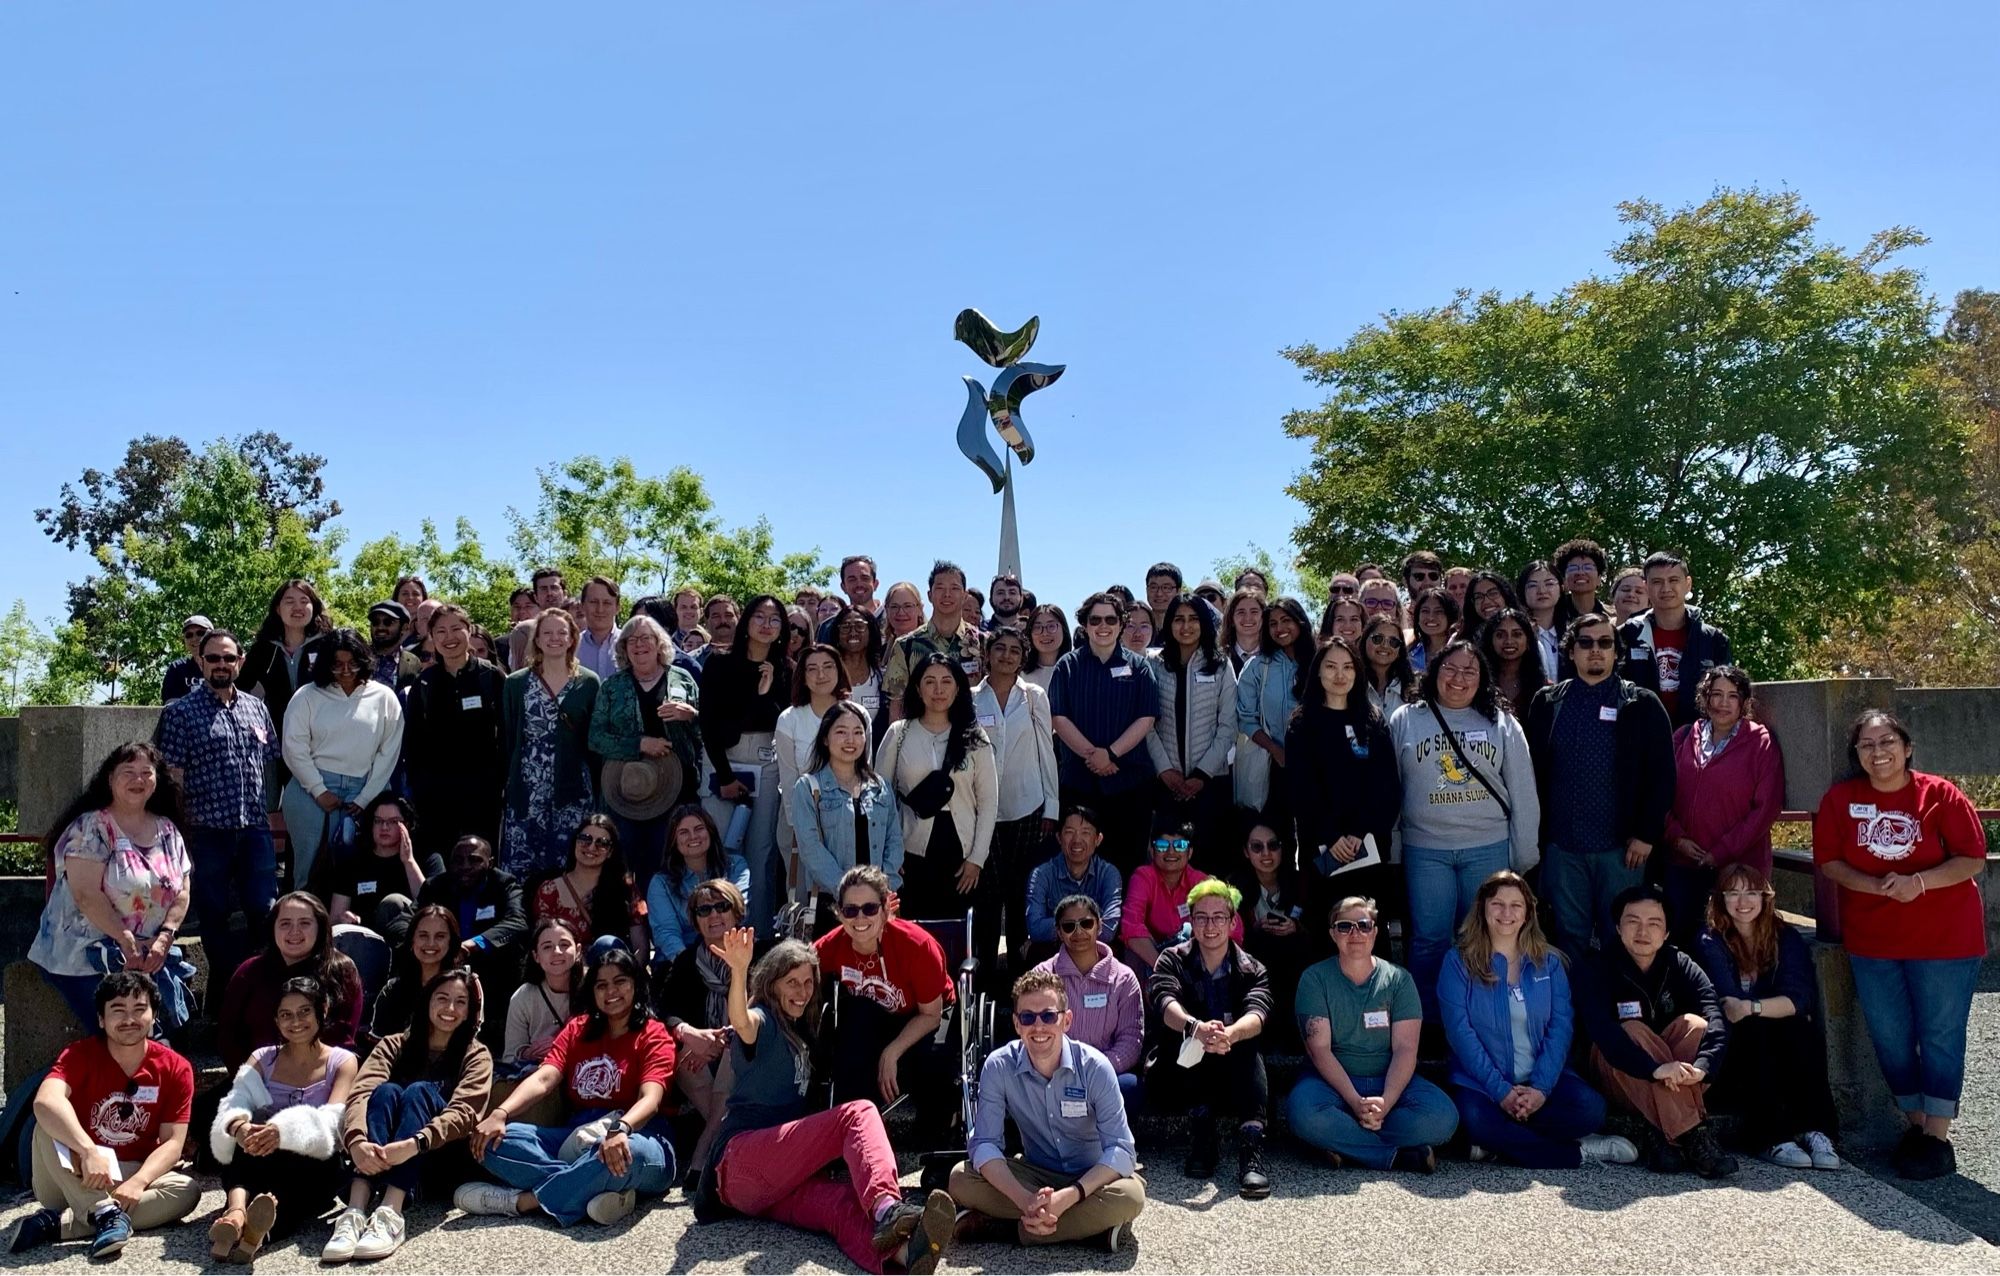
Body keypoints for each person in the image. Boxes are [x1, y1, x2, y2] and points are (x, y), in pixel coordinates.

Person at [691, 932, 958, 1275]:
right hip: (741, 1158)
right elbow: (743, 1022)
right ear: (772, 984)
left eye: (807, 983)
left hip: (770, 1185)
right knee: (858, 1113)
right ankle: (889, 1208)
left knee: (843, 1204)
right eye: (791, 982)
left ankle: (904, 1256)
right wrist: (740, 971)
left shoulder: (801, 1033)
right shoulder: (765, 1020)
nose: (802, 992)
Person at [1812, 709, 1987, 1180]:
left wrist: (1920, 883)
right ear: (1857, 755)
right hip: (1874, 940)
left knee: (1940, 1035)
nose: (1878, 752)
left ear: (1907, 747)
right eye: (1867, 746)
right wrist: (1871, 887)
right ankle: (1915, 1125)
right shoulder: (1842, 800)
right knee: (1889, 1036)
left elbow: (1972, 858)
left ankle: (1937, 1135)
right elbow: (1828, 860)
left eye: (1887, 741)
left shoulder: (1940, 794)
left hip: (1946, 939)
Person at [459, 946, 677, 1227]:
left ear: (636, 984)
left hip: (641, 1135)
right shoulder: (578, 1029)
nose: (611, 991)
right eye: (601, 985)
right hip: (578, 1138)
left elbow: (651, 1098)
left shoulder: (654, 1033)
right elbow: (543, 1078)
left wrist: (620, 1129)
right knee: (492, 1141)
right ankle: (595, 1190)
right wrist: (500, 1113)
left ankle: (522, 1202)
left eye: (620, 981)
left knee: (624, 1154)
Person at [1438, 873, 1635, 1169]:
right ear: (1482, 908)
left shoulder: (1550, 962)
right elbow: (1460, 1033)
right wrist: (1501, 1091)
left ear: (1528, 912)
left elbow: (1561, 1028)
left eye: (1516, 905)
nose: (1507, 914)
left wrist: (1541, 1090)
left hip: (1540, 1083)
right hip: (1481, 1085)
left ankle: (1499, 1146)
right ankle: (1578, 1152)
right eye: (1498, 904)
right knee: (1474, 1119)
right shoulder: (1458, 962)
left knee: (1590, 1109)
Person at [1389, 640, 1539, 1023]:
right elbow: (1391, 789)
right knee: (1428, 941)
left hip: (1487, 846)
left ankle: (1481, 1018)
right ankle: (1426, 1021)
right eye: (1450, 669)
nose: (1458, 679)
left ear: (1482, 678)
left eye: (1469, 671)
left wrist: (1523, 853)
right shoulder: (1406, 719)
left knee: (1484, 939)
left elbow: (1522, 790)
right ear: (1434, 672)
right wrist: (1393, 850)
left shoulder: (1500, 722)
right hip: (1426, 849)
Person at [949, 969, 1147, 1251]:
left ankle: (1008, 1230)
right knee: (961, 1178)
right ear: (1017, 1024)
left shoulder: (1095, 1067)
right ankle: (1089, 1231)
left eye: (1048, 1016)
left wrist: (1070, 1196)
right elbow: (984, 1144)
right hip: (1034, 1174)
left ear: (1066, 1020)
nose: (1038, 1026)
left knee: (1130, 1197)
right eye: (1028, 1017)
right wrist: (1024, 1199)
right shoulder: (998, 1065)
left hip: (1090, 1179)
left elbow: (1122, 1150)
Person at [5, 973, 198, 1259]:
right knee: (46, 1125)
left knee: (187, 1191)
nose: (129, 1019)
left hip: (126, 1172)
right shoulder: (79, 1055)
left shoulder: (175, 1067)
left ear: (154, 1015)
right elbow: (46, 1101)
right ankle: (105, 1212)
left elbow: (173, 1143)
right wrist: (87, 1150)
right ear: (101, 1019)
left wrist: (140, 1180)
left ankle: (59, 1225)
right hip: (69, 1173)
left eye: (139, 1009)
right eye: (117, 1010)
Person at [1523, 615, 1676, 956]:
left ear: (1616, 652)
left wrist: (1647, 834)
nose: (1595, 650)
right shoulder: (1547, 703)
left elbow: (1662, 776)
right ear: (1571, 651)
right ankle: (1574, 1009)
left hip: (1622, 850)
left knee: (1622, 938)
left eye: (1605, 643)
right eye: (1586, 643)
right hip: (1563, 848)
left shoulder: (1642, 704)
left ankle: (1621, 1009)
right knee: (1566, 939)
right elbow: (1531, 773)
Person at [28, 742, 196, 1031]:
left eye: (146, 772)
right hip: (83, 956)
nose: (138, 779)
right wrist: (125, 938)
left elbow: (182, 889)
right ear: (110, 778)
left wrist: (166, 936)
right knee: (124, 1037)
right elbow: (86, 894)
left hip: (147, 955)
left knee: (152, 1039)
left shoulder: (168, 829)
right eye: (128, 772)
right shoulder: (91, 827)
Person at [330, 968, 493, 1262]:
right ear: (427, 1001)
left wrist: (414, 1143)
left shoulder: (475, 1054)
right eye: (442, 998)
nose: (450, 1009)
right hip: (380, 1154)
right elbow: (360, 1093)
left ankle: (390, 1212)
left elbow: (465, 1112)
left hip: (435, 1160)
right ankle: (355, 1210)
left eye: (460, 1002)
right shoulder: (394, 1044)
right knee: (386, 1091)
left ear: (470, 1011)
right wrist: (356, 1143)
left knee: (418, 1091)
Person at [1285, 896, 1459, 1173]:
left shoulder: (1399, 980)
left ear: (1375, 932)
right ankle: (1393, 1156)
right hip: (1332, 1084)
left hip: (1389, 1081)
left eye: (1364, 925)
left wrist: (1386, 1102)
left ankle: (1346, 1143)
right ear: (1332, 934)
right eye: (1344, 927)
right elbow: (1319, 1050)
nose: (1355, 934)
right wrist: (1355, 1101)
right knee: (1302, 1114)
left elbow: (1405, 1049)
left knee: (1442, 1117)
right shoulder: (1314, 979)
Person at [1573, 885, 1735, 1177]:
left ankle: (1661, 1136)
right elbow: (1603, 1033)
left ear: (1667, 933)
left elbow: (1716, 1014)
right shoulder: (1596, 967)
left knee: (1695, 1025)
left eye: (1654, 924)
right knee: (1632, 1030)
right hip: (1617, 1073)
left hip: (1674, 1074)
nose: (1642, 931)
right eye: (1633, 921)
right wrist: (1655, 1069)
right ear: (1618, 927)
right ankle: (1694, 1135)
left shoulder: (1680, 963)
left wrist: (1703, 1068)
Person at [1695, 866, 1843, 1171]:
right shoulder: (1711, 939)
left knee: (1800, 1029)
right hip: (1735, 1047)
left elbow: (1799, 999)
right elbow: (1728, 1001)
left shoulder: (1784, 936)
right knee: (1756, 1031)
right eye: (1732, 893)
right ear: (1720, 899)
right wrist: (1763, 1008)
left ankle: (1817, 1131)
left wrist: (1754, 1007)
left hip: (1780, 1036)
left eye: (1751, 892)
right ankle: (1769, 1137)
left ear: (1765, 898)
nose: (1742, 901)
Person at [156, 626, 279, 987]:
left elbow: (270, 765)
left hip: (254, 827)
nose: (221, 664)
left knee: (264, 909)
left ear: (240, 662)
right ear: (200, 661)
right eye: (213, 658)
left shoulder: (257, 709)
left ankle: (261, 987)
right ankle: (224, 992)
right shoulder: (180, 713)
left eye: (228, 658)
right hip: (207, 830)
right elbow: (172, 777)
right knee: (214, 916)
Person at [206, 976, 358, 1262]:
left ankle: (246, 1225)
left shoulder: (342, 1061)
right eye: (286, 1015)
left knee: (297, 1174)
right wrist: (241, 1128)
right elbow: (235, 1100)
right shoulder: (263, 1058)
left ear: (321, 1012)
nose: (295, 1022)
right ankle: (239, 1214)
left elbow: (332, 1121)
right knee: (243, 1137)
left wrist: (283, 1132)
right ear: (276, 1020)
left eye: (304, 1012)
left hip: (313, 1163)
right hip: (260, 1157)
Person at [1147, 879, 1272, 1198]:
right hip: (1179, 1073)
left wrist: (1229, 1034)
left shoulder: (1251, 967)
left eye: (1219, 917)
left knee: (1248, 1044)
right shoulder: (1171, 959)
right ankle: (1202, 1135)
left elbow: (1258, 1012)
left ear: (1233, 923)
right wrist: (1195, 1028)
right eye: (1201, 917)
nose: (1210, 925)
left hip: (1232, 1069)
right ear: (1190, 922)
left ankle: (1251, 1148)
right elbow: (1163, 1001)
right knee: (1187, 1038)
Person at [813, 866, 957, 1131]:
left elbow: (931, 1015)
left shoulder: (917, 945)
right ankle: (854, 1125)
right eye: (850, 910)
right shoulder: (834, 944)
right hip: (873, 1018)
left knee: (931, 1058)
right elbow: (795, 968)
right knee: (852, 1017)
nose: (860, 919)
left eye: (869, 908)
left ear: (885, 908)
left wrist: (891, 1052)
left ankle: (937, 1126)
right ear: (839, 913)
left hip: (925, 1015)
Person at [1658, 666, 1783, 945]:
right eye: (1716, 694)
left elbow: (1765, 809)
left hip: (1738, 867)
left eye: (1732, 696)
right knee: (1681, 942)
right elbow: (1660, 793)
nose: (1723, 703)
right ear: (1705, 698)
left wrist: (1721, 851)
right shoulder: (1683, 736)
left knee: (1733, 944)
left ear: (1744, 702)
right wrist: (1676, 838)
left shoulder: (1761, 743)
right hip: (1683, 863)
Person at [1286, 636, 1401, 929]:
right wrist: (1331, 835)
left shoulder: (1372, 720)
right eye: (1331, 666)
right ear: (1318, 671)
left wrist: (1360, 832)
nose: (1340, 675)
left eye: (1348, 667)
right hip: (1323, 850)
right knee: (1327, 929)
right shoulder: (1302, 723)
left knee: (1367, 930)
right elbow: (1301, 788)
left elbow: (1386, 786)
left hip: (1369, 847)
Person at [877, 653, 998, 924]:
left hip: (961, 850)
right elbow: (880, 799)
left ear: (958, 687)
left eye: (947, 681)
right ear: (918, 689)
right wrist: (890, 854)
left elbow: (989, 802)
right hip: (910, 850)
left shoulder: (975, 736)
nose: (938, 689)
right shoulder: (899, 733)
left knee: (959, 931)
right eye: (929, 682)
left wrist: (977, 858)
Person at [281, 627, 405, 893]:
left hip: (367, 788)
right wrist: (318, 790)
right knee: (309, 867)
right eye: (337, 665)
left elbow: (389, 752)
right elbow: (294, 747)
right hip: (310, 789)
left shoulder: (384, 697)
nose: (346, 671)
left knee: (359, 863)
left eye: (353, 663)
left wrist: (365, 798)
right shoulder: (307, 696)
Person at [699, 594, 792, 937]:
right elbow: (709, 723)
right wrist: (723, 777)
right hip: (723, 762)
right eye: (760, 617)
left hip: (767, 762)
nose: (766, 625)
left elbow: (780, 720)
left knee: (761, 854)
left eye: (775, 619)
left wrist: (766, 692)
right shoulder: (719, 664)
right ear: (746, 622)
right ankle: (716, 935)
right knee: (720, 851)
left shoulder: (786, 668)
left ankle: (760, 937)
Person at [588, 613, 701, 885]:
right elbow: (595, 738)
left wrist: (692, 716)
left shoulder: (683, 678)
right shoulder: (613, 687)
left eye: (646, 638)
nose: (639, 645)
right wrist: (638, 745)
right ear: (624, 648)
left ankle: (667, 926)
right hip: (626, 792)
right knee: (624, 867)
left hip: (677, 791)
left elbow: (704, 734)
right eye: (631, 640)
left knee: (671, 867)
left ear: (659, 643)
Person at [972, 626, 1058, 971]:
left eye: (1013, 650)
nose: (1006, 656)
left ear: (1023, 657)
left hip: (1028, 806)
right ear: (987, 654)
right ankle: (987, 975)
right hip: (983, 812)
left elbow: (1046, 751)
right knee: (988, 897)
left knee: (1022, 893)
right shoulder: (971, 698)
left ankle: (1023, 976)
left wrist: (1051, 805)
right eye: (999, 649)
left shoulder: (1034, 695)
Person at [501, 609, 600, 883]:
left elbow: (593, 741)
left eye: (561, 632)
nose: (554, 638)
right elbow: (510, 736)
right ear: (537, 639)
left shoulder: (588, 683)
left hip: (572, 788)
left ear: (572, 639)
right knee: (523, 868)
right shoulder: (516, 683)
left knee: (570, 862)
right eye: (547, 632)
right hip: (527, 789)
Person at [402, 603, 508, 858]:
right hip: (436, 799)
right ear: (431, 636)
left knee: (481, 860)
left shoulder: (491, 677)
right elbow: (413, 743)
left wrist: (501, 784)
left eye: (456, 628)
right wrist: (420, 789)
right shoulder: (424, 683)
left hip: (483, 795)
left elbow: (507, 736)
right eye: (440, 631)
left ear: (469, 630)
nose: (449, 638)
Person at [218, 891, 366, 1072]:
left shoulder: (341, 971)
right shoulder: (249, 972)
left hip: (322, 1080)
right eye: (285, 923)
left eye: (304, 923)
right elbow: (229, 1036)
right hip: (257, 1081)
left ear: (320, 927)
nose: (294, 931)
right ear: (273, 928)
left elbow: (342, 1041)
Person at [656, 879, 747, 1172]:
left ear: (737, 912)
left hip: (750, 1047)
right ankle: (729, 1137)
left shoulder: (758, 953)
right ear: (695, 920)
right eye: (704, 910)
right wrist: (689, 1033)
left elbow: (761, 1006)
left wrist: (722, 1039)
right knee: (681, 1059)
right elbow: (666, 1010)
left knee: (733, 1054)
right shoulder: (686, 961)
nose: (714, 915)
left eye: (722, 907)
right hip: (702, 1052)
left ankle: (704, 1147)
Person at [787, 703, 904, 929]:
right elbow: (810, 848)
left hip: (878, 902)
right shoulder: (808, 787)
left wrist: (882, 888)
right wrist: (847, 891)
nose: (851, 740)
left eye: (858, 732)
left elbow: (894, 840)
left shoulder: (880, 787)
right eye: (841, 732)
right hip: (832, 901)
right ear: (825, 739)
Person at [1148, 594, 1237, 853]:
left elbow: (1228, 725)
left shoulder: (1220, 665)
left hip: (1210, 783)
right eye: (1178, 619)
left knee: (1209, 859)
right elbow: (1146, 725)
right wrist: (1164, 769)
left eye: (1193, 619)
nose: (1186, 626)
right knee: (1168, 860)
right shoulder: (1153, 665)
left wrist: (1201, 774)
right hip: (1165, 784)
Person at [236, 578, 333, 807]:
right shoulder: (264, 648)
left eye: (304, 601)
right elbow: (240, 689)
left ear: (314, 607)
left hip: (319, 745)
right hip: (275, 743)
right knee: (271, 810)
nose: (297, 607)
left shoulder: (329, 646)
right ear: (278, 609)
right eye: (289, 601)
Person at [1032, 895, 1144, 1093]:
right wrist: (1062, 1069)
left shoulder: (1124, 978)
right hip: (1055, 1072)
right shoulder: (1042, 976)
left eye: (1086, 923)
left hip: (1106, 1071)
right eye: (1069, 926)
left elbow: (1131, 1038)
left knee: (1130, 1087)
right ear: (1059, 932)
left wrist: (1097, 1068)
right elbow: (1034, 1032)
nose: (1079, 932)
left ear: (1099, 926)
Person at [416, 836, 530, 1026]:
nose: (465, 866)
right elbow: (403, 922)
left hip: (491, 966)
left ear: (490, 863)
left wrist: (472, 945)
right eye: (458, 861)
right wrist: (423, 941)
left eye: (474, 860)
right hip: (442, 963)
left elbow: (518, 923)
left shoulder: (504, 884)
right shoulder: (435, 886)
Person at [1618, 551, 1735, 728]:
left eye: (1673, 580)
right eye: (1657, 582)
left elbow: (1727, 694)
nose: (1666, 588)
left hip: (1697, 739)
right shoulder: (1625, 636)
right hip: (1639, 738)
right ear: (1646, 586)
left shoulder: (1714, 640)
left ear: (1688, 584)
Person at [1121, 819, 1241, 974]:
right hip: (1154, 958)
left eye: (1180, 845)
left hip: (1192, 956)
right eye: (1162, 845)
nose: (1171, 852)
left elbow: (1235, 927)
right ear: (1152, 850)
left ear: (1190, 852)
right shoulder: (1143, 877)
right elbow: (1131, 926)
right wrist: (1164, 968)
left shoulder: (1200, 880)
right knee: (1133, 954)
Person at [777, 642, 865, 850]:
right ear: (803, 675)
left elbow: (864, 770)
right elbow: (788, 781)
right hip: (801, 819)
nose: (821, 675)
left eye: (828, 666)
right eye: (812, 669)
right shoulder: (789, 719)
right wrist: (799, 827)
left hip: (849, 817)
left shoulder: (858, 714)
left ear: (839, 670)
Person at [1234, 597, 1313, 829]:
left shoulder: (1319, 662)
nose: (1280, 628)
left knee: (1315, 837)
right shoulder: (1257, 666)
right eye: (1273, 623)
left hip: (1315, 765)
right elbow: (1245, 718)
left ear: (1300, 622)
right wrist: (1275, 749)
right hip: (1273, 766)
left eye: (1286, 620)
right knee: (1278, 835)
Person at [1232, 824, 1313, 1048]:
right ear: (1246, 852)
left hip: (1295, 961)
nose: (1266, 854)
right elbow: (1232, 937)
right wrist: (1256, 929)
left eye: (1273, 846)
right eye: (1257, 847)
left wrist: (1296, 928)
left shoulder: (1302, 882)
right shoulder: (1234, 886)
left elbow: (1317, 930)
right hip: (1254, 957)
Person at [328, 794, 443, 947]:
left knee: (393, 902)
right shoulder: (353, 863)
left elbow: (434, 907)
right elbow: (334, 919)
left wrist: (408, 862)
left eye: (393, 822)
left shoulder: (427, 858)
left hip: (413, 941)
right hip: (366, 941)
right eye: (378, 821)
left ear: (406, 825)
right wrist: (345, 920)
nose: (384, 827)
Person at [530, 815, 648, 955]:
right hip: (566, 970)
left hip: (611, 971)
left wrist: (628, 974)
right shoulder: (549, 891)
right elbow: (544, 945)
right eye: (585, 839)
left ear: (610, 852)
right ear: (575, 842)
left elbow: (641, 945)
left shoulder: (627, 889)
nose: (592, 847)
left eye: (602, 843)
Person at [647, 805, 752, 961]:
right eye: (684, 832)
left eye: (699, 829)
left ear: (710, 831)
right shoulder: (661, 883)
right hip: (680, 961)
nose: (693, 836)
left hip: (728, 954)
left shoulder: (736, 866)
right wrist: (691, 966)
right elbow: (667, 934)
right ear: (673, 840)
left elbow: (737, 911)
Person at [1024, 806, 1125, 962]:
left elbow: (1110, 928)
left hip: (1093, 952)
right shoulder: (1041, 874)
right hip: (1054, 953)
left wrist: (1067, 926)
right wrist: (1086, 925)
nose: (1077, 840)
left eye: (1085, 832)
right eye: (1069, 832)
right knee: (1036, 952)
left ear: (1098, 839)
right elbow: (1035, 928)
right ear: (1059, 837)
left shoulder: (1109, 874)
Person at [366, 904, 464, 1052]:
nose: (431, 943)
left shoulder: (466, 987)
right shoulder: (393, 990)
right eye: (423, 935)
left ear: (451, 942)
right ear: (412, 940)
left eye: (440, 936)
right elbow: (379, 1049)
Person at [883, 561, 976, 717]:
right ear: (929, 595)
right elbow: (897, 705)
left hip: (968, 734)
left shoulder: (982, 643)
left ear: (965, 596)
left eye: (954, 588)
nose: (947, 595)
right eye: (940, 588)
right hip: (920, 735)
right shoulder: (906, 646)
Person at [503, 918, 582, 1077]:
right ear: (536, 956)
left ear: (578, 950)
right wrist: (528, 1053)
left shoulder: (594, 986)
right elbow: (509, 1056)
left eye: (564, 945)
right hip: (540, 1073)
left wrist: (562, 1043)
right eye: (547, 947)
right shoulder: (523, 997)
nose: (557, 952)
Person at [1479, 608, 1547, 716]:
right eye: (1500, 635)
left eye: (1517, 634)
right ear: (1490, 641)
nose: (1509, 641)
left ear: (1528, 640)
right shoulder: (1479, 683)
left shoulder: (1545, 687)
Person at [830, 604, 889, 724]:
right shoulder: (826, 675)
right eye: (846, 627)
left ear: (871, 632)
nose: (853, 632)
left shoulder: (883, 678)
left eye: (859, 626)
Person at [1515, 560, 1561, 682]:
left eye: (1549, 584)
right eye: (1532, 585)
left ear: (1561, 588)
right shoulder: (1516, 634)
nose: (1542, 591)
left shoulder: (1573, 631)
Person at [1359, 614, 1415, 715]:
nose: (1385, 645)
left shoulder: (1412, 688)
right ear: (1364, 641)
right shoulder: (1350, 683)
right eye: (1378, 638)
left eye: (1393, 642)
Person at [1550, 538, 1608, 632]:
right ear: (1564, 579)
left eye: (1588, 567)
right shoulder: (1551, 615)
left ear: (1599, 578)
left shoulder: (1612, 616)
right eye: (1573, 568)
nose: (1580, 572)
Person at [576, 575, 622, 682]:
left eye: (607, 603)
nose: (600, 609)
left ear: (617, 608)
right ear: (582, 606)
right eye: (594, 602)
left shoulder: (631, 644)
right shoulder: (570, 647)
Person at [366, 601, 422, 689]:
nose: (380, 627)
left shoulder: (413, 663)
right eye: (375, 622)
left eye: (388, 622)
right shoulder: (357, 657)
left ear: (404, 628)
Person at [160, 614, 212, 702]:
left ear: (213, 636)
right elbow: (171, 705)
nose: (195, 638)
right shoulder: (177, 669)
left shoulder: (226, 664)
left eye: (200, 633)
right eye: (189, 635)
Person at [1022, 602, 1072, 695]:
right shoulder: (1020, 674)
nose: (1045, 633)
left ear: (1064, 630)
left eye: (1051, 626)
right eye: (1037, 627)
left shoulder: (1075, 671)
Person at [1407, 587, 1459, 674]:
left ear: (1450, 616)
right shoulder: (1410, 653)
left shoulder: (1461, 651)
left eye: (1439, 611)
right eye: (1425, 611)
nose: (1431, 617)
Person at [1461, 571, 1518, 641]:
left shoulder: (1528, 631)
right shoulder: (1465, 641)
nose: (1486, 602)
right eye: (1479, 597)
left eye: (1493, 593)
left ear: (1505, 595)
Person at [1222, 588, 1264, 674]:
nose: (1248, 618)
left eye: (1254, 612)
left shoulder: (1276, 658)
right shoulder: (1220, 659)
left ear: (1263, 617)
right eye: (1241, 612)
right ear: (1231, 619)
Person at [882, 580, 926, 645]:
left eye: (908, 606)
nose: (901, 612)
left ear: (920, 609)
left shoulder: (933, 649)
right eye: (894, 606)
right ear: (886, 610)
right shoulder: (880, 651)